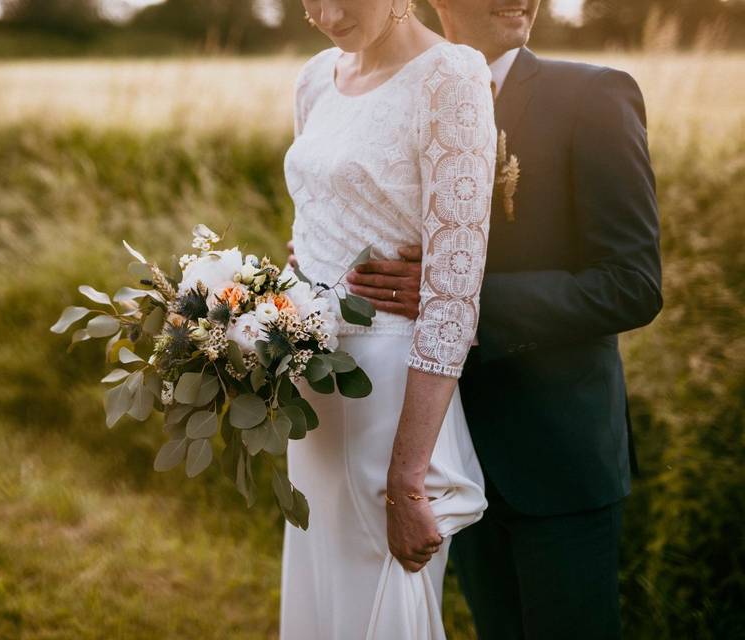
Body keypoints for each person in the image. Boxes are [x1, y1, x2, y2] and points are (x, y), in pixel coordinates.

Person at [337, 1, 664, 638]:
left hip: (557, 456)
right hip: (451, 448)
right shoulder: (403, 96)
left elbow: (633, 286)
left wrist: (462, 299)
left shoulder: (593, 96)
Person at [280, 1, 497, 638]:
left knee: (379, 597)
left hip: (388, 394)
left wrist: (407, 483)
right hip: (312, 387)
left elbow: (455, 296)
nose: (328, 12)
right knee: (324, 592)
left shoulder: (450, 78)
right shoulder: (317, 76)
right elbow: (317, 212)